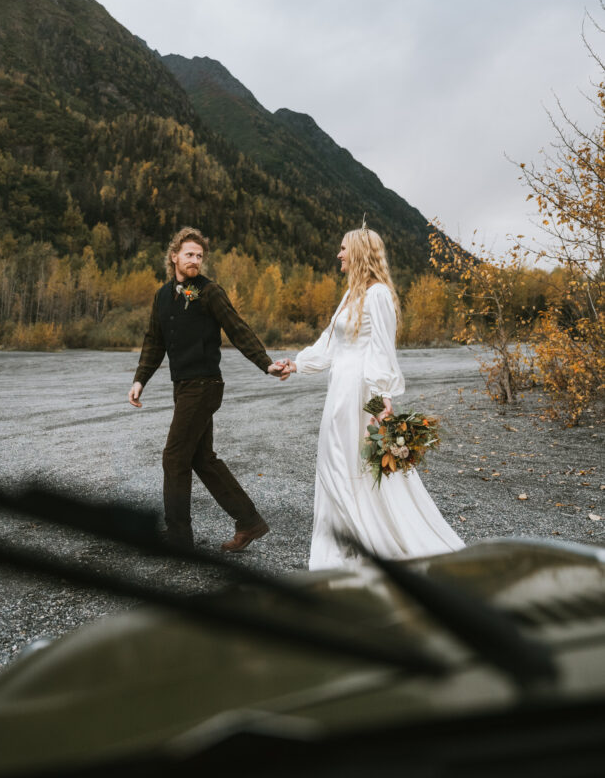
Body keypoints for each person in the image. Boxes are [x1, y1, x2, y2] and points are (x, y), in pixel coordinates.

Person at [277, 225, 464, 570]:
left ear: (360, 253)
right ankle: (343, 538)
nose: (339, 254)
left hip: (361, 394)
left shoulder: (378, 295)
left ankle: (369, 541)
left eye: (344, 248)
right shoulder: (351, 295)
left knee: (354, 463)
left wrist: (380, 404)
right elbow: (329, 343)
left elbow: (381, 354)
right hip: (340, 392)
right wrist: (297, 364)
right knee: (334, 463)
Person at [129, 227, 280, 552]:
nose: (195, 260)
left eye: (199, 256)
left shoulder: (210, 292)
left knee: (173, 457)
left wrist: (265, 363)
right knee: (202, 458)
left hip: (205, 385)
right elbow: (154, 342)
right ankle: (249, 521)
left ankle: (179, 538)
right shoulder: (162, 296)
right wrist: (140, 379)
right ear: (174, 257)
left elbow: (237, 328)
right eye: (189, 255)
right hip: (183, 387)